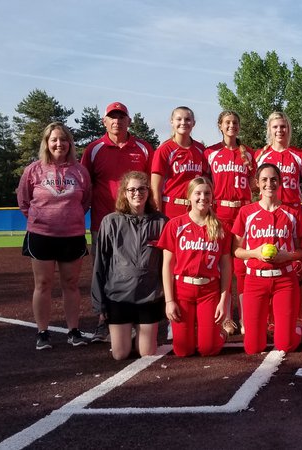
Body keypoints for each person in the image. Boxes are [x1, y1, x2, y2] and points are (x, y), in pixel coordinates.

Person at [82, 101, 154, 343]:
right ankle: (104, 319)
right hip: (104, 221)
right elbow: (84, 184)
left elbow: (152, 184)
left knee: (140, 268)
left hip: (138, 223)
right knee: (103, 269)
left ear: (129, 121)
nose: (117, 121)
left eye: (121, 117)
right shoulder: (94, 148)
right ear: (104, 121)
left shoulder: (143, 148)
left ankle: (138, 318)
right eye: (112, 117)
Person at [17, 122, 92, 350]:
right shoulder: (34, 170)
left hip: (72, 235)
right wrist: (43, 219)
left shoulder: (80, 171)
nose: (59, 144)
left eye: (63, 139)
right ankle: (42, 332)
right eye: (54, 140)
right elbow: (24, 201)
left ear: (70, 143)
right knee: (43, 283)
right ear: (47, 143)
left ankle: (73, 331)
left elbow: (86, 201)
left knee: (71, 283)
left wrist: (69, 218)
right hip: (42, 235)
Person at [91, 171, 168, 360]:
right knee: (120, 354)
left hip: (149, 297)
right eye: (131, 189)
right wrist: (100, 303)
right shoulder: (110, 222)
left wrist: (167, 297)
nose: (137, 193)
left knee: (147, 353)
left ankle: (138, 333)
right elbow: (100, 263)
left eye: (142, 189)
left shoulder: (161, 222)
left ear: (148, 192)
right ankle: (128, 332)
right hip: (119, 297)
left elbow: (167, 265)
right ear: (124, 193)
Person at [232, 163, 302, 355]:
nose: (269, 184)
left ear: (280, 182)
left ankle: (297, 328)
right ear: (257, 183)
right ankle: (277, 328)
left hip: (285, 280)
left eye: (273, 179)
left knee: (285, 345)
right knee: (253, 348)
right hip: (255, 280)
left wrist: (286, 256)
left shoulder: (292, 213)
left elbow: (301, 251)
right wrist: (255, 253)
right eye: (264, 179)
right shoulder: (246, 212)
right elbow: (236, 250)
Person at [157, 177, 231, 357]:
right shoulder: (175, 225)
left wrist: (223, 301)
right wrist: (169, 301)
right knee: (183, 351)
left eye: (207, 193)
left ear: (212, 197)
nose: (202, 197)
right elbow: (167, 265)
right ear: (189, 196)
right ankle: (201, 333)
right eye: (197, 193)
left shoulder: (220, 227)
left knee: (208, 349)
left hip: (209, 290)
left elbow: (227, 266)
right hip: (182, 290)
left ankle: (219, 334)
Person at [254, 112, 302, 332]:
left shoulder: (298, 154)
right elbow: (255, 183)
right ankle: (270, 318)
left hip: (293, 213)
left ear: (289, 129)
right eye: (276, 127)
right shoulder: (260, 154)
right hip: (269, 214)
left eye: (284, 127)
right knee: (269, 263)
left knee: (296, 267)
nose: (280, 131)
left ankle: (298, 317)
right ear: (270, 129)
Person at [205, 110, 255, 336]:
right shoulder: (211, 153)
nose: (232, 126)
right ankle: (224, 317)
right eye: (227, 122)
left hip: (243, 211)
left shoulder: (249, 154)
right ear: (220, 126)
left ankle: (246, 317)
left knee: (242, 267)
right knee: (220, 266)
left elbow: (255, 184)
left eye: (235, 122)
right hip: (221, 212)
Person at [151, 106, 209, 219]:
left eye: (187, 119)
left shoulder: (201, 149)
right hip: (171, 208)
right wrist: (157, 214)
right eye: (179, 119)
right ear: (172, 122)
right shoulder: (164, 149)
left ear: (193, 123)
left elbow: (206, 181)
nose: (183, 122)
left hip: (195, 207)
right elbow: (155, 187)